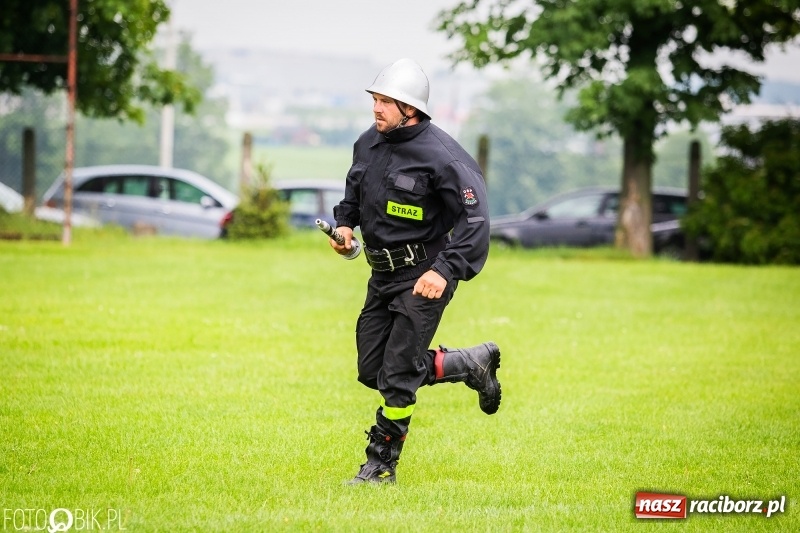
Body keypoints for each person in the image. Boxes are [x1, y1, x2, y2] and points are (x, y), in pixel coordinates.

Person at [329, 58, 501, 485]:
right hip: (381, 275)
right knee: (372, 369)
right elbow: (353, 196)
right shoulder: (367, 144)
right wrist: (345, 227)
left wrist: (445, 271)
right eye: (375, 99)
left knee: (398, 375)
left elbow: (476, 221)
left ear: (410, 109)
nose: (376, 108)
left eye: (385, 101)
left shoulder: (446, 158)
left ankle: (380, 464)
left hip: (425, 275)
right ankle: (469, 364)